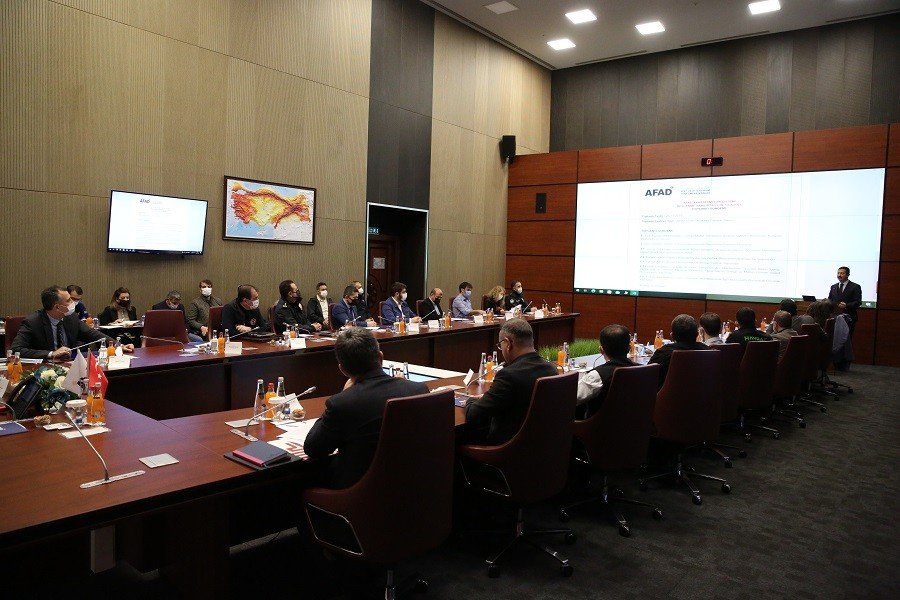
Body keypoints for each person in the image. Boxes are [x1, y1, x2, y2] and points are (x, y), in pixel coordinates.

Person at [304, 328, 429, 489]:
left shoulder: (342, 403)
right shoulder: (419, 390)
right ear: (380, 357)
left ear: (343, 369)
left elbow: (313, 449)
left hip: (361, 493)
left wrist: (343, 394)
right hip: (415, 485)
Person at [464, 318, 558, 444]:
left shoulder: (508, 375)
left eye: (500, 345)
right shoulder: (551, 369)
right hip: (544, 445)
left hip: (509, 449)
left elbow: (473, 415)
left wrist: (470, 399)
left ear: (508, 343)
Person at [11, 286, 133, 361]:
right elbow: (16, 349)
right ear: (57, 307)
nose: (73, 304)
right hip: (44, 370)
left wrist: (118, 345)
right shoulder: (33, 322)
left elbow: (92, 334)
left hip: (69, 365)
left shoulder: (71, 318)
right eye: (69, 300)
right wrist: (51, 354)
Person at [576, 324, 637, 418]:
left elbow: (570, 399)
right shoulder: (643, 370)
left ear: (601, 350)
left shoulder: (597, 376)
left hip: (599, 425)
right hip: (636, 423)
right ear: (629, 348)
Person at [648, 314, 710, 388]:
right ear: (697, 334)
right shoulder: (708, 352)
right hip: (703, 394)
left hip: (669, 395)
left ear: (672, 335)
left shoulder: (663, 353)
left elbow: (648, 376)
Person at [827, 266, 862, 338]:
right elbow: (829, 299)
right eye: (838, 273)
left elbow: (858, 302)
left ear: (848, 275)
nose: (839, 275)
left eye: (842, 273)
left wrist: (846, 305)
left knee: (846, 339)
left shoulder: (855, 286)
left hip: (849, 317)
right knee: (834, 339)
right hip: (835, 317)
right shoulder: (833, 287)